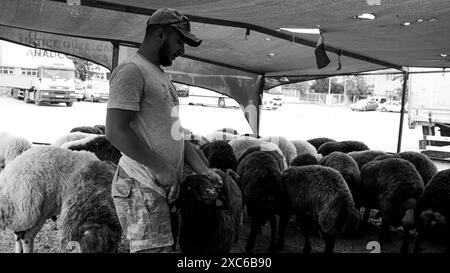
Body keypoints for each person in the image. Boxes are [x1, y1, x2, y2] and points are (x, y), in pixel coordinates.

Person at [105, 7, 222, 253]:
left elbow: (175, 130)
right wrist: (160, 167)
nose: (182, 49)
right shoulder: (131, 71)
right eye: (179, 41)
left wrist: (203, 169)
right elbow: (115, 130)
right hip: (141, 183)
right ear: (159, 34)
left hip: (158, 186)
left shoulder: (158, 75)